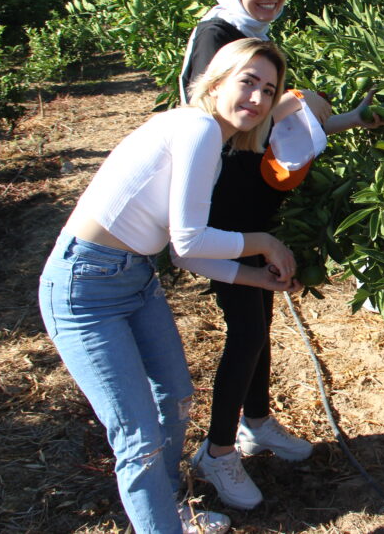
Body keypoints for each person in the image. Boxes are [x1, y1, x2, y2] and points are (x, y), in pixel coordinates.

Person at [38, 38, 302, 534]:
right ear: (218, 79)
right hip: (85, 286)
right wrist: (263, 242)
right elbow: (190, 237)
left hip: (132, 277)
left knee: (176, 398)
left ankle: (167, 509)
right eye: (248, 81)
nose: (258, 98)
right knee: (137, 435)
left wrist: (255, 279)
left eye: (269, 90)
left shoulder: (210, 140)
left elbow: (182, 253)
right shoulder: (199, 127)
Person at [175, 0, 382, 511]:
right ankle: (217, 454)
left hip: (252, 205)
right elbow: (217, 117)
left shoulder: (254, 38)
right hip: (220, 213)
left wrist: (346, 118)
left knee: (259, 319)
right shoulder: (216, 38)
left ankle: (256, 421)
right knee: (244, 329)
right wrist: (296, 103)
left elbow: (267, 129)